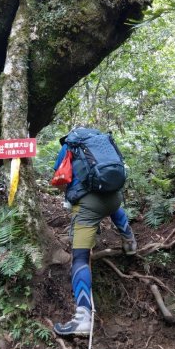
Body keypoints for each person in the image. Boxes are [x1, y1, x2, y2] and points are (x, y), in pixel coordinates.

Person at [52, 127, 137, 336]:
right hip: (115, 197)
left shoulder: (70, 146)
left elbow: (59, 175)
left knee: (80, 258)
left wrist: (71, 195)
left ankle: (83, 318)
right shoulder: (101, 142)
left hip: (89, 206)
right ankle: (130, 242)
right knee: (114, 208)